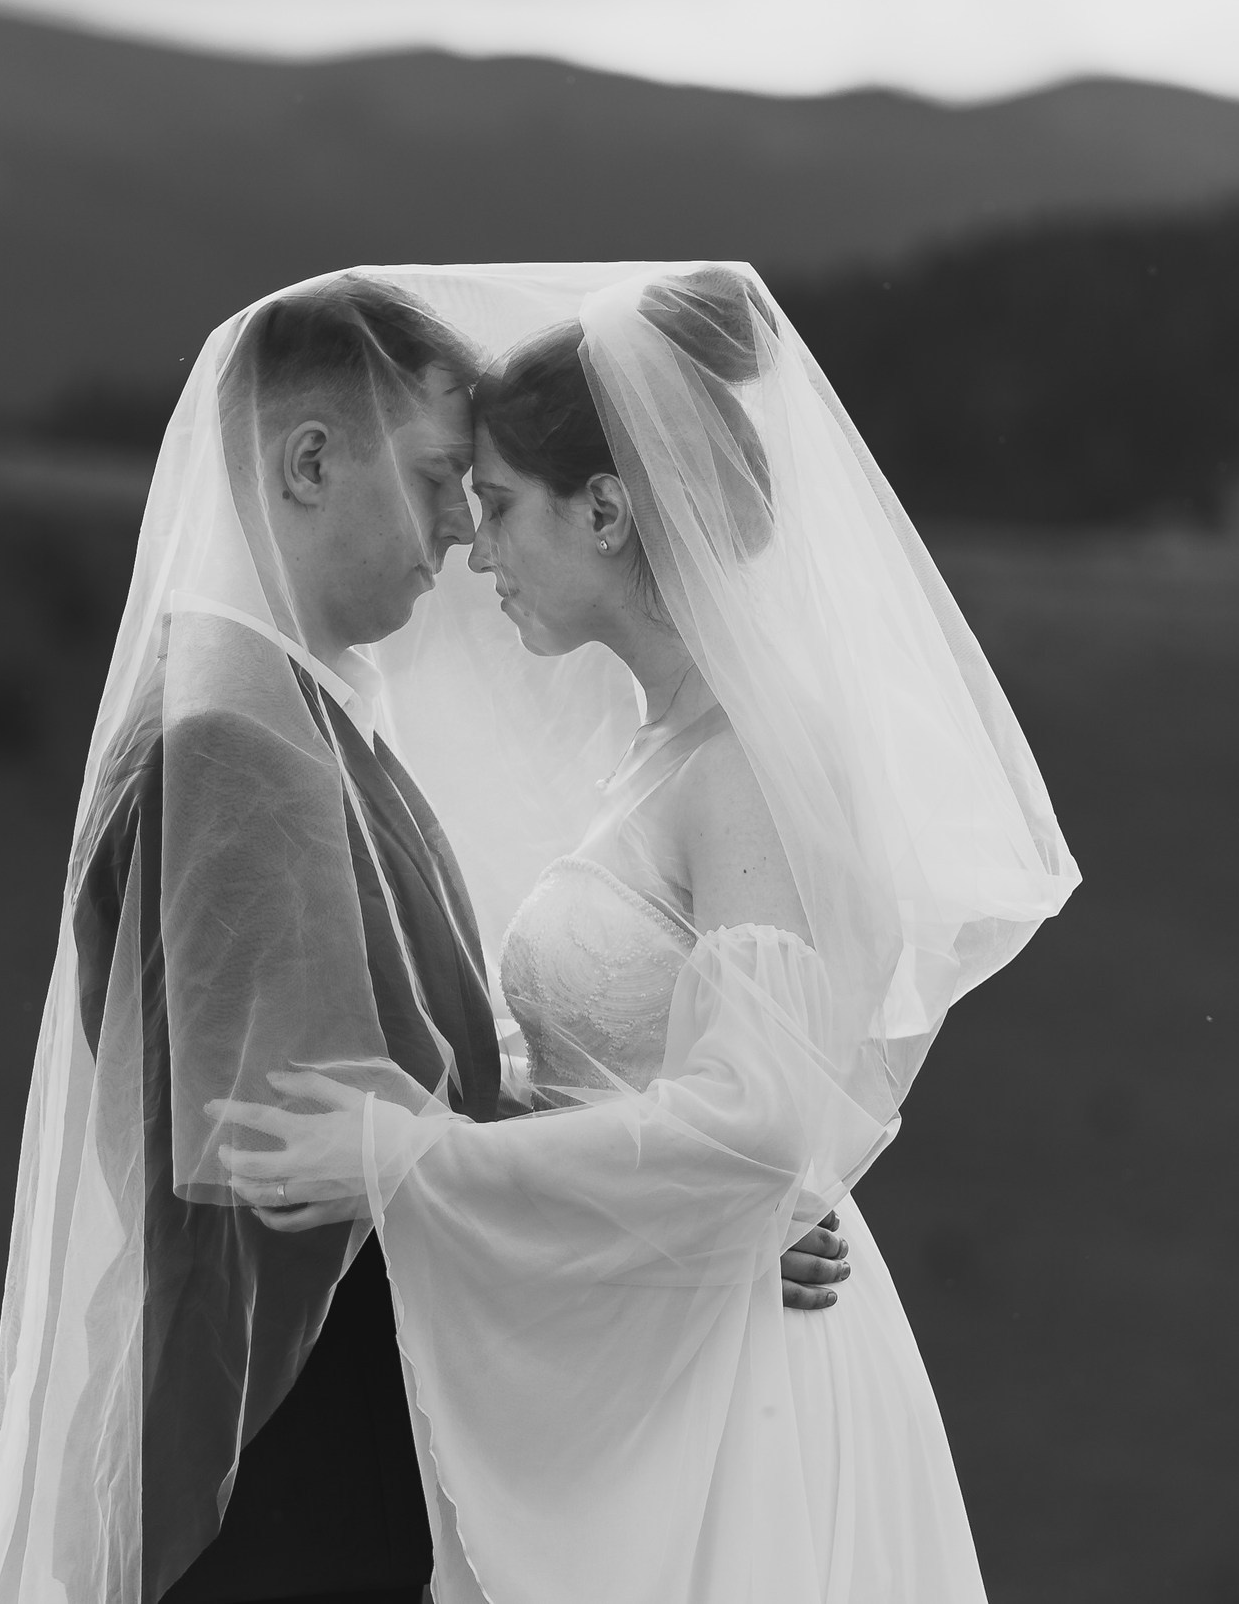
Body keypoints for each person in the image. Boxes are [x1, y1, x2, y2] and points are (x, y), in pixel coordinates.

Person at [0, 273, 849, 1604]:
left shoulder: (299, 721)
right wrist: (673, 1232)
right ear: (308, 463)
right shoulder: (234, 747)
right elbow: (295, 1167)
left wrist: (692, 1206)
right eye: (440, 479)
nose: (457, 534)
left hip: (342, 1446)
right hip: (278, 1458)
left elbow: (399, 1125)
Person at [208, 264, 1080, 1602]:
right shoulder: (663, 752)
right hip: (660, 1364)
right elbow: (711, 1139)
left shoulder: (742, 770)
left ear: (606, 511)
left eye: (497, 507)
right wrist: (702, 1231)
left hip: (744, 1412)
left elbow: (753, 1123)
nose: (472, 551)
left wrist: (406, 1156)